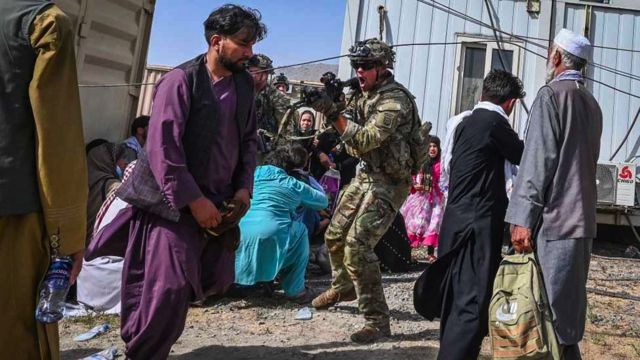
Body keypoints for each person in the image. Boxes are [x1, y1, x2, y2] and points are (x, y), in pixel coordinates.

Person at [86, 5, 264, 359]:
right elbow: (163, 149)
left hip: (218, 205)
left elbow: (248, 141)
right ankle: (143, 352)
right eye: (243, 44)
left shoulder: (244, 85)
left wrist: (244, 188)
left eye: (252, 44)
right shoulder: (180, 81)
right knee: (165, 286)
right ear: (217, 42)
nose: (250, 52)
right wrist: (193, 201)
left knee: (205, 280)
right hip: (170, 206)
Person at [309, 38, 421, 343]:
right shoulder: (364, 95)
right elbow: (346, 121)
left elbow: (367, 138)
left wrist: (333, 112)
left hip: (390, 181)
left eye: (367, 66)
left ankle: (377, 321)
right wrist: (333, 100)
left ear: (383, 67)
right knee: (334, 235)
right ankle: (343, 286)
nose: (360, 70)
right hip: (366, 174)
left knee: (358, 245)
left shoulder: (394, 101)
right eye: (357, 65)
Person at [505, 29, 602, 360]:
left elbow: (537, 162)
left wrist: (521, 219)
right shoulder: (590, 102)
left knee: (545, 313)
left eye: (551, 53)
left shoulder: (552, 96)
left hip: (556, 221)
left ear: (557, 57)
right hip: (582, 220)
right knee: (567, 312)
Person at [0, 1, 87, 358]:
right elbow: (57, 135)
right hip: (15, 212)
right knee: (18, 333)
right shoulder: (45, 22)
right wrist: (67, 236)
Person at [423, 70, 525, 359]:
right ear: (510, 103)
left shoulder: (463, 123)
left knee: (453, 297)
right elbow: (524, 155)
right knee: (473, 300)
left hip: (454, 220)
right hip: (477, 226)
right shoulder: (495, 123)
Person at [235, 145, 327, 302]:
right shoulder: (292, 183)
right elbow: (322, 201)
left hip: (239, 235)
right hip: (273, 234)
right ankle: (296, 290)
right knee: (300, 230)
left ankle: (239, 282)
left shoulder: (250, 176)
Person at [400, 136, 443, 261]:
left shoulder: (441, 164)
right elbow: (412, 176)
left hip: (435, 200)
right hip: (418, 199)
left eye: (435, 146)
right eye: (429, 146)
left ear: (439, 148)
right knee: (414, 224)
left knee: (433, 224)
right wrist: (415, 185)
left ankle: (430, 253)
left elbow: (444, 181)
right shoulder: (420, 163)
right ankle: (408, 253)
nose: (432, 149)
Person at [248, 54, 295, 156]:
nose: (249, 74)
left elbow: (286, 134)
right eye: (248, 71)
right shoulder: (243, 92)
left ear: (265, 74)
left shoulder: (278, 98)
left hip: (265, 153)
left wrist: (278, 158)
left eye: (253, 72)